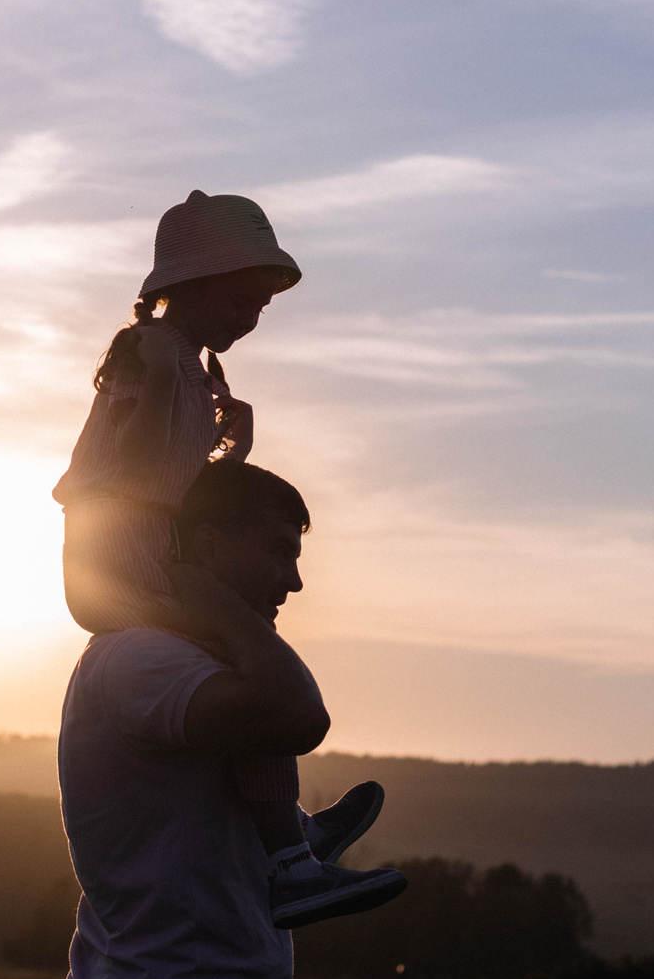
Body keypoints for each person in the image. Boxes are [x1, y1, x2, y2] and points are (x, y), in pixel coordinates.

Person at [53, 189, 401, 927]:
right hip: (125, 566)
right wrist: (206, 456)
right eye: (243, 299)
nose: (249, 317)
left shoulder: (174, 360)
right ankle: (291, 857)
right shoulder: (158, 355)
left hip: (124, 558)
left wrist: (224, 448)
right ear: (198, 283)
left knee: (240, 660)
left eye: (259, 307)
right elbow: (146, 476)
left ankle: (290, 841)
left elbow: (152, 473)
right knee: (248, 662)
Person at [42, 461, 398, 979]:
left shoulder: (167, 658)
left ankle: (294, 836)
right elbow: (297, 713)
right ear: (204, 546)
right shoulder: (142, 658)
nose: (293, 582)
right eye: (278, 551)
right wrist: (214, 606)